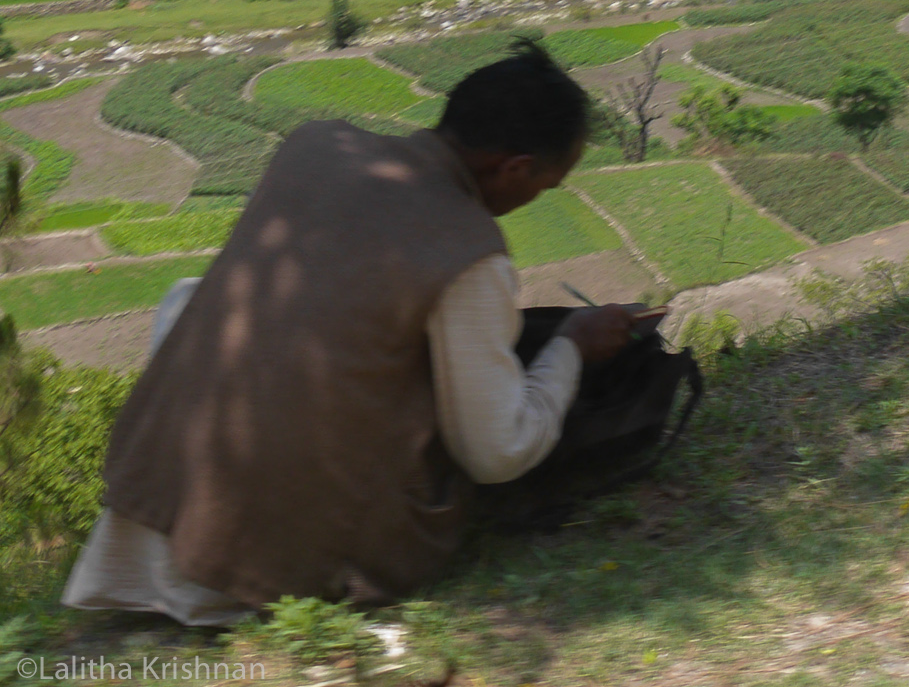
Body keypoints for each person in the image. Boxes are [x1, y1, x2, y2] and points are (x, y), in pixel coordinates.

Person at [62, 40, 639, 625]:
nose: (533, 200)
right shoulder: (469, 253)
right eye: (544, 187)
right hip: (272, 560)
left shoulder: (313, 147)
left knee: (190, 293)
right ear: (513, 168)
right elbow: (498, 452)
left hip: (156, 498)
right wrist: (570, 346)